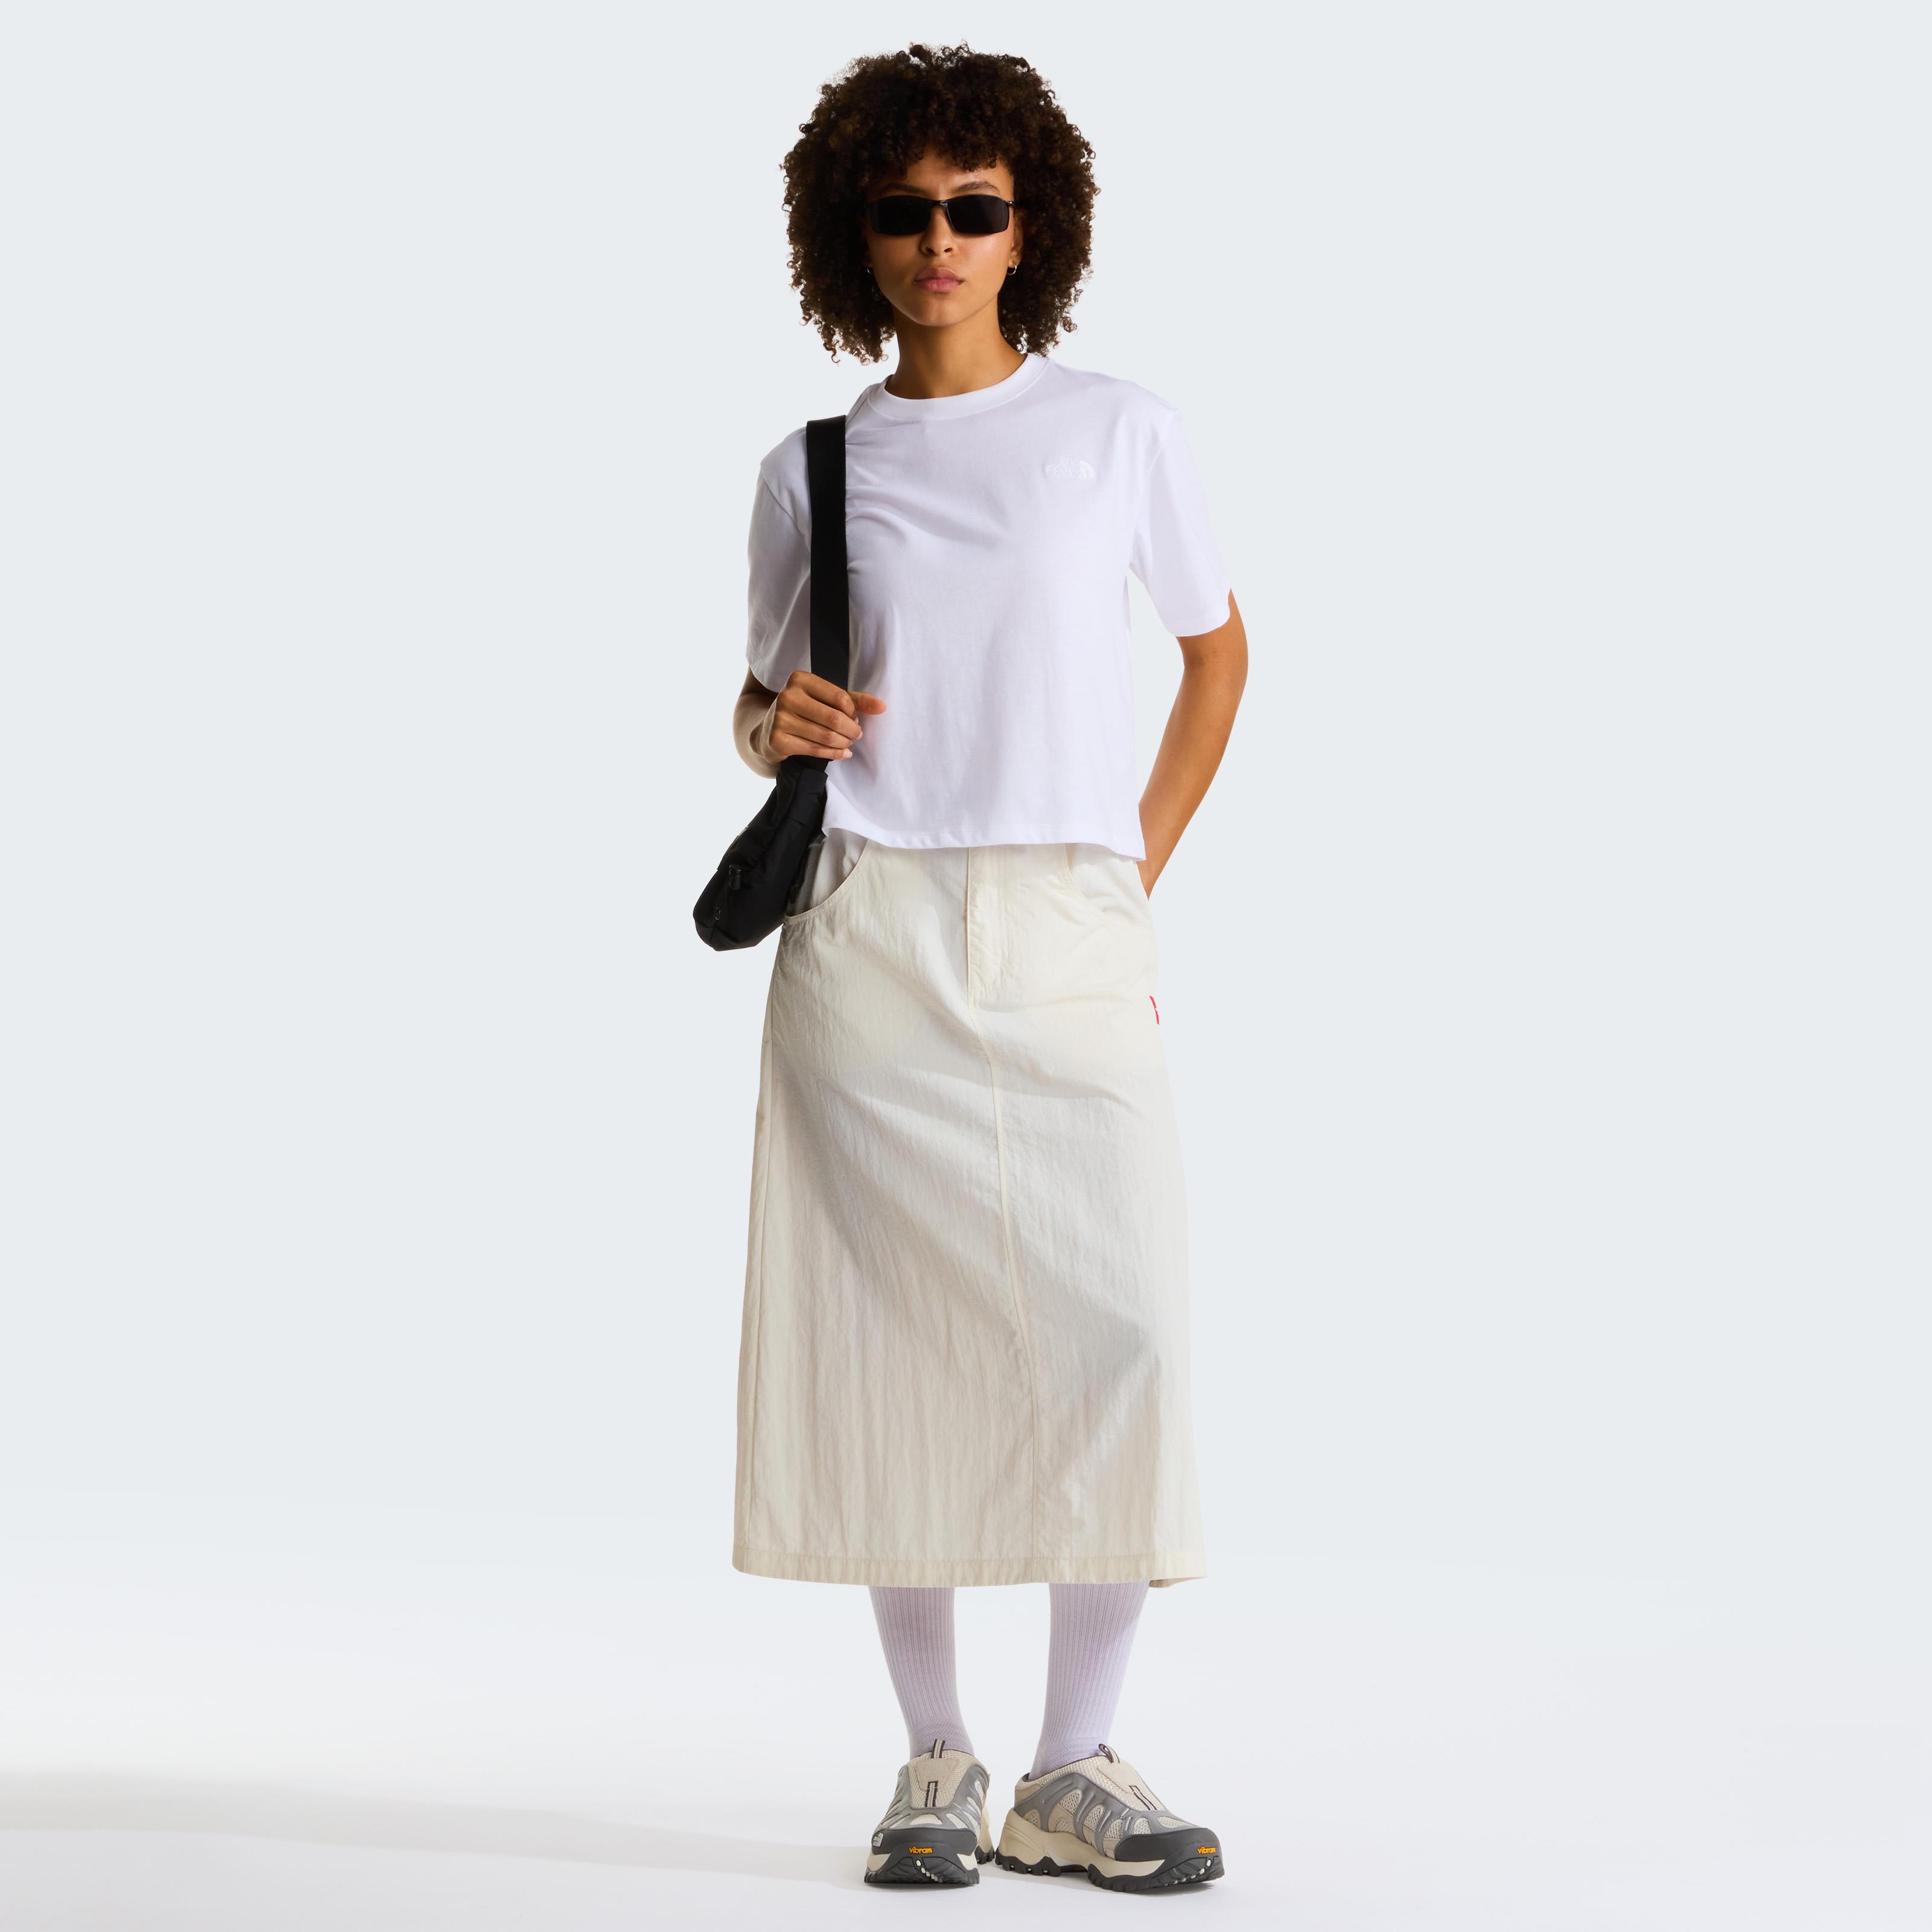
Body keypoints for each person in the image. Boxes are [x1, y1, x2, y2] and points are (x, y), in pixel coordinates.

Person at [729, 44, 1246, 1893]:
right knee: (892, 1335)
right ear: (850, 236)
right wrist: (772, 723)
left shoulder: (1119, 431)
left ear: (1033, 227)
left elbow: (1215, 654)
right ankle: (937, 1760)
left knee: (1125, 1328)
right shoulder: (814, 468)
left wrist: (1128, 871)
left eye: (976, 207)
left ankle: (1074, 1758)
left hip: (1065, 924)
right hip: (868, 927)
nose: (939, 239)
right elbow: (764, 707)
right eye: (903, 210)